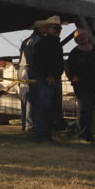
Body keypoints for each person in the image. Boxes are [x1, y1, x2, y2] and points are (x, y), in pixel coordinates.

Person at [66, 29, 95, 142]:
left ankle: (88, 134)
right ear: (76, 40)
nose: (82, 37)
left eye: (84, 35)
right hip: (81, 85)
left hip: (94, 84)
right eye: (79, 36)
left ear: (88, 36)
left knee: (91, 110)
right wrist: (72, 78)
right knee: (83, 110)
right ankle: (81, 135)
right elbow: (68, 69)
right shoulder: (74, 53)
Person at [32, 15, 64, 143]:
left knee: (50, 108)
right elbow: (39, 63)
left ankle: (47, 135)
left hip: (53, 79)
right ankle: (42, 136)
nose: (58, 30)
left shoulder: (54, 44)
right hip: (46, 79)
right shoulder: (43, 44)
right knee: (43, 108)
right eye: (55, 27)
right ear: (47, 29)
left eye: (59, 28)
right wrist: (48, 75)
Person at [17, 22, 46, 132]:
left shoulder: (28, 40)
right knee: (31, 98)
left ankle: (26, 124)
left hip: (23, 69)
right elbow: (34, 59)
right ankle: (30, 125)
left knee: (25, 98)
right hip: (29, 70)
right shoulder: (36, 41)